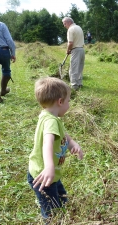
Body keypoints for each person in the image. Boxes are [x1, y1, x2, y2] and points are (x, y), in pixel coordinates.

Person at [27, 77, 84, 222]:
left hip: (51, 174)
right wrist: (49, 167)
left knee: (61, 197)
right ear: (60, 102)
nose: (69, 104)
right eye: (68, 101)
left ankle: (62, 207)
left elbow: (64, 135)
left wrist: (73, 143)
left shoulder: (48, 115)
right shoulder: (51, 121)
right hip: (45, 176)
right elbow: (48, 142)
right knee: (51, 212)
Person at [62, 17, 85, 90]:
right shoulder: (79, 27)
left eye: (64, 24)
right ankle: (79, 83)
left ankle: (74, 86)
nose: (64, 26)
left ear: (69, 22)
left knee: (73, 69)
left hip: (75, 50)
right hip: (82, 49)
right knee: (79, 68)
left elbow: (70, 43)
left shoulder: (70, 29)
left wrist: (68, 50)